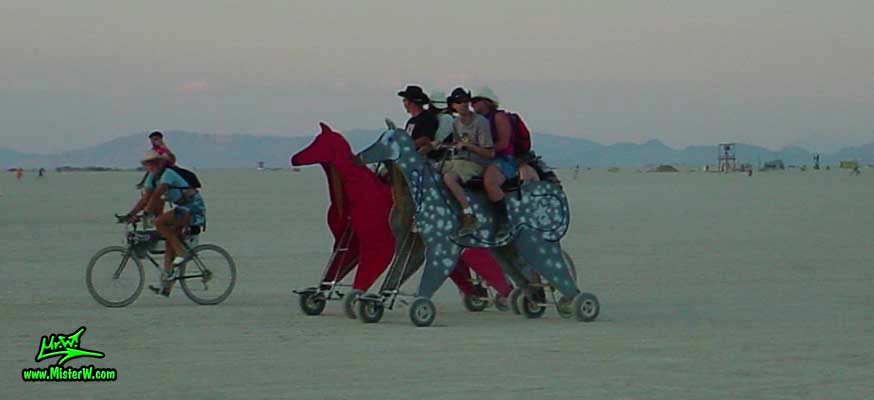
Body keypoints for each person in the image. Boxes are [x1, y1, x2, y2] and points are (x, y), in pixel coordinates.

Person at [124, 151, 205, 297]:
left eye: (153, 163)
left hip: (193, 208)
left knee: (159, 222)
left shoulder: (168, 174)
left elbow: (157, 195)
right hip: (182, 209)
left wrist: (147, 212)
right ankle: (166, 285)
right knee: (170, 242)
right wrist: (130, 214)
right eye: (147, 164)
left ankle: (182, 253)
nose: (150, 166)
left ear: (160, 163)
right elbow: (145, 198)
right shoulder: (151, 177)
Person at [440, 87, 494, 236]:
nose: (463, 104)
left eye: (465, 101)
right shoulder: (456, 122)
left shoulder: (480, 122)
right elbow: (456, 144)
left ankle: (469, 214)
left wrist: (468, 146)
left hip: (477, 163)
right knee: (431, 170)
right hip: (459, 160)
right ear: (453, 106)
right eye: (459, 102)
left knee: (449, 177)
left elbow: (489, 152)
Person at [397, 85, 439, 154]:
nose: (404, 103)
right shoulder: (411, 121)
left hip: (421, 158)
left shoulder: (428, 118)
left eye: (405, 100)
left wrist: (408, 146)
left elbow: (425, 139)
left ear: (411, 102)